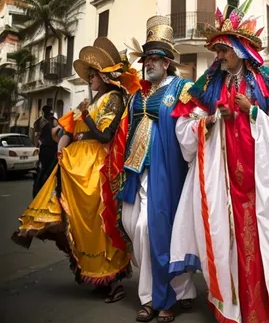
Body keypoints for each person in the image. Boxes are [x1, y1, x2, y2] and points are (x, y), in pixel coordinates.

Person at [169, 0, 269, 323]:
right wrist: (209, 122)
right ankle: (230, 309)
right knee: (225, 244)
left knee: (256, 247)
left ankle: (259, 311)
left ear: (240, 49)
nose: (220, 56)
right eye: (217, 52)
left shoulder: (268, 84)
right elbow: (186, 126)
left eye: (224, 50)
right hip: (222, 182)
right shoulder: (210, 85)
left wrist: (253, 112)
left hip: (258, 185)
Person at [13, 37, 140, 302]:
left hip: (96, 168)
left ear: (104, 77)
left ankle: (113, 279)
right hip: (77, 165)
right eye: (90, 75)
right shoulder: (91, 103)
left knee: (99, 224)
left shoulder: (114, 99)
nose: (89, 79)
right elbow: (66, 130)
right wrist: (63, 137)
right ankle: (92, 271)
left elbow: (104, 136)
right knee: (78, 222)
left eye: (93, 74)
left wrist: (85, 118)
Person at [110, 16, 197, 323]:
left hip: (167, 172)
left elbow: (195, 124)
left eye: (155, 58)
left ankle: (157, 299)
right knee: (134, 226)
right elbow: (125, 130)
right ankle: (183, 287)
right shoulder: (137, 94)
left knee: (153, 232)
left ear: (167, 61)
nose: (149, 62)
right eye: (146, 57)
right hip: (136, 172)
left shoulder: (183, 87)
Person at [32, 105, 59, 196]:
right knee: (49, 171)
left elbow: (36, 134)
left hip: (43, 147)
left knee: (43, 169)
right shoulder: (51, 121)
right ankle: (44, 189)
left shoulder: (39, 121)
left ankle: (39, 188)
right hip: (50, 148)